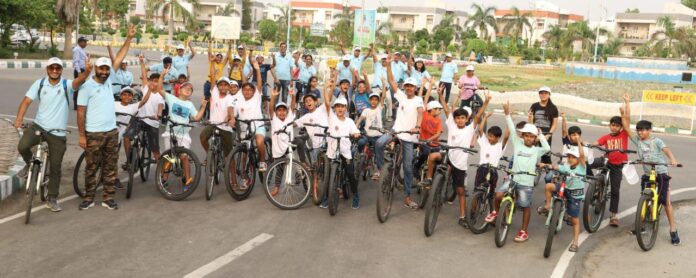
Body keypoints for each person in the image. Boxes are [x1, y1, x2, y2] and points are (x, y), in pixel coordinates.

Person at [14, 57, 90, 212]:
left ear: (61, 70)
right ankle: (30, 164)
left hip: (58, 132)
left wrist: (87, 71)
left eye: (57, 68)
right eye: (51, 68)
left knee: (55, 166)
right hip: (39, 126)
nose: (54, 71)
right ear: (47, 69)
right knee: (22, 146)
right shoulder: (40, 83)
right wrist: (19, 119)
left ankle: (52, 197)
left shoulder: (66, 84)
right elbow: (26, 101)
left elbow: (78, 81)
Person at [76, 25, 136, 211]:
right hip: (93, 133)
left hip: (111, 132)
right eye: (101, 69)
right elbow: (80, 112)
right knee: (91, 168)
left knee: (111, 166)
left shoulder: (109, 80)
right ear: (95, 69)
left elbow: (119, 57)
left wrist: (129, 38)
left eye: (106, 69)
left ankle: (108, 197)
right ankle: (88, 198)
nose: (104, 72)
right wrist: (82, 136)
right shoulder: (86, 87)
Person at [421, 90, 490, 227]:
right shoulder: (452, 124)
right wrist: (441, 96)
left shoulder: (470, 128)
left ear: (466, 119)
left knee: (460, 191)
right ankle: (429, 178)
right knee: (433, 156)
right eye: (457, 118)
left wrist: (486, 102)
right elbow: (447, 109)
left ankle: (463, 216)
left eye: (462, 118)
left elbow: (478, 116)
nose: (459, 120)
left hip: (460, 164)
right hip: (448, 155)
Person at [486, 100, 550, 243]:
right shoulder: (517, 143)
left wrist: (539, 134)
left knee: (525, 206)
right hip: (513, 179)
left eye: (531, 136)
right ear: (522, 136)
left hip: (526, 184)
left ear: (534, 139)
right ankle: (496, 212)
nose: (528, 138)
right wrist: (507, 114)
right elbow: (510, 127)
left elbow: (547, 149)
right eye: (526, 135)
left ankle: (524, 231)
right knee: (498, 195)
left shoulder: (537, 150)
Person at [622, 93, 681, 245]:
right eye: (639, 130)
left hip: (661, 173)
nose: (640, 132)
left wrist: (672, 159)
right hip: (648, 174)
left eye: (643, 130)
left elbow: (666, 150)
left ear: (650, 130)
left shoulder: (656, 141)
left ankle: (673, 229)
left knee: (666, 201)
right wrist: (627, 104)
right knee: (645, 198)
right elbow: (626, 125)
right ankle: (641, 225)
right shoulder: (637, 141)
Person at [375, 54, 423, 209]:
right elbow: (391, 81)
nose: (408, 88)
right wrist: (388, 65)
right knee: (379, 143)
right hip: (396, 131)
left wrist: (417, 126)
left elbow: (421, 113)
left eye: (411, 86)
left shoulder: (418, 100)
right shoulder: (401, 96)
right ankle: (383, 170)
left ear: (415, 88)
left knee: (408, 168)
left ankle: (408, 197)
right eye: (407, 86)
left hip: (409, 136)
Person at [538, 144, 587, 253]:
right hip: (565, 189)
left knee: (574, 220)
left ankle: (575, 242)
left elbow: (583, 155)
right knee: (548, 186)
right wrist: (544, 164)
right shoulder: (566, 166)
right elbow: (555, 167)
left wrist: (579, 142)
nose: (570, 158)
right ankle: (547, 206)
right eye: (569, 156)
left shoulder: (582, 167)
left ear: (579, 158)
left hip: (575, 195)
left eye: (573, 157)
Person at [322, 90, 361, 209]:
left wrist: (356, 134)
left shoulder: (349, 121)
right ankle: (327, 197)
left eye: (342, 106)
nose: (340, 109)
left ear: (346, 108)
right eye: (338, 106)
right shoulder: (331, 118)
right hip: (332, 151)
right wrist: (326, 88)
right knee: (327, 175)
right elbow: (327, 103)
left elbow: (355, 131)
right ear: (335, 108)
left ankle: (355, 195)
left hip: (345, 151)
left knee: (350, 173)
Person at [593, 112, 630, 227]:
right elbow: (597, 143)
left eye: (616, 125)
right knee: (587, 163)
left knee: (615, 190)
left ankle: (613, 216)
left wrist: (625, 109)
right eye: (612, 125)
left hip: (617, 166)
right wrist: (589, 144)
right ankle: (595, 188)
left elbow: (627, 120)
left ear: (621, 127)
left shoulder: (624, 134)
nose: (613, 127)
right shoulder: (606, 137)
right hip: (606, 161)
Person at [113, 83, 152, 189]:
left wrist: (150, 89)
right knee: (112, 156)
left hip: (123, 132)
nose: (127, 97)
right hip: (111, 132)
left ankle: (129, 161)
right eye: (124, 94)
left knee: (126, 140)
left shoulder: (133, 107)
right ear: (120, 96)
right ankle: (112, 176)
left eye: (129, 95)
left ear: (132, 97)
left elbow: (144, 101)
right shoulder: (114, 104)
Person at [200, 55, 237, 166]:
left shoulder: (230, 98)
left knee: (229, 156)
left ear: (229, 88)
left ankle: (233, 179)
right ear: (218, 87)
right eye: (221, 85)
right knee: (202, 137)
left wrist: (231, 118)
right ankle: (210, 154)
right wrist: (211, 63)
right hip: (213, 125)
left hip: (225, 127)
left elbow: (230, 109)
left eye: (226, 85)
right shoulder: (215, 93)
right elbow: (212, 78)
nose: (223, 87)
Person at [236, 58, 268, 171]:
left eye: (250, 90)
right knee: (245, 153)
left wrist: (257, 69)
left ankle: (262, 161)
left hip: (258, 125)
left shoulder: (256, 96)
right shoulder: (239, 97)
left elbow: (259, 83)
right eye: (245, 90)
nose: (247, 91)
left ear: (254, 91)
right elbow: (244, 83)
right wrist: (241, 71)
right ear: (242, 91)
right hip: (245, 129)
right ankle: (245, 176)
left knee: (259, 142)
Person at [267, 86, 298, 196]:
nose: (281, 112)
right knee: (279, 170)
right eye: (279, 110)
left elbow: (293, 106)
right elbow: (270, 108)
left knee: (296, 164)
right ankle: (276, 187)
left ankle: (301, 177)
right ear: (276, 112)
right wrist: (273, 97)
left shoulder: (289, 118)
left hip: (288, 147)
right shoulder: (274, 119)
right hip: (278, 151)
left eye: (284, 110)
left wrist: (293, 96)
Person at [356, 78, 388, 180]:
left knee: (379, 152)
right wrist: (355, 127)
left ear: (378, 101)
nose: (374, 101)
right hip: (367, 135)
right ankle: (361, 157)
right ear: (369, 101)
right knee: (360, 143)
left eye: (376, 100)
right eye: (372, 99)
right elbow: (360, 120)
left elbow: (383, 96)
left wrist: (383, 84)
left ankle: (379, 170)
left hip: (377, 136)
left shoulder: (379, 108)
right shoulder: (366, 110)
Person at [413, 80, 444, 182]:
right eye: (438, 109)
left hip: (434, 144)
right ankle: (416, 167)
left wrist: (430, 139)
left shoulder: (438, 120)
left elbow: (438, 133)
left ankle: (432, 177)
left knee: (440, 159)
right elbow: (425, 99)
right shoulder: (425, 114)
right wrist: (430, 85)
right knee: (425, 153)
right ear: (432, 109)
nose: (440, 111)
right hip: (423, 142)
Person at [473, 112, 509, 193]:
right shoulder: (484, 142)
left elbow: (506, 136)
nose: (489, 138)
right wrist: (485, 117)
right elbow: (480, 130)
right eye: (489, 135)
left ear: (498, 138)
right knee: (477, 190)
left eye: (492, 136)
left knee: (491, 193)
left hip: (493, 170)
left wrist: (509, 120)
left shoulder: (500, 146)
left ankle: (490, 198)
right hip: (482, 169)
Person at [528, 86, 558, 165]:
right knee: (530, 154)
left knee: (546, 157)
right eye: (541, 93)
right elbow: (530, 123)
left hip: (546, 135)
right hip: (534, 134)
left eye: (545, 93)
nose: (543, 95)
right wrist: (533, 134)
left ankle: (549, 175)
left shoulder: (553, 108)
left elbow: (554, 124)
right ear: (539, 94)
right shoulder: (534, 106)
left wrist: (548, 135)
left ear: (549, 94)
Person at [204, 41, 229, 119]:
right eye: (218, 56)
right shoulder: (211, 62)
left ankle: (212, 114)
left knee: (214, 100)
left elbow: (227, 57)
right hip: (208, 83)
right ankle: (205, 114)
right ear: (215, 57)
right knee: (206, 99)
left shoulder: (222, 65)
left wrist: (230, 46)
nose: (219, 58)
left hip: (217, 84)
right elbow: (209, 52)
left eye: (221, 57)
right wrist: (210, 43)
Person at [72, 36, 89, 110]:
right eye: (85, 42)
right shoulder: (77, 50)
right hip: (79, 71)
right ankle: (76, 105)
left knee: (81, 87)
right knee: (77, 88)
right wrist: (79, 72)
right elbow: (76, 61)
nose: (86, 44)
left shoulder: (81, 49)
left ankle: (80, 103)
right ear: (80, 42)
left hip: (82, 70)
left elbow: (82, 60)